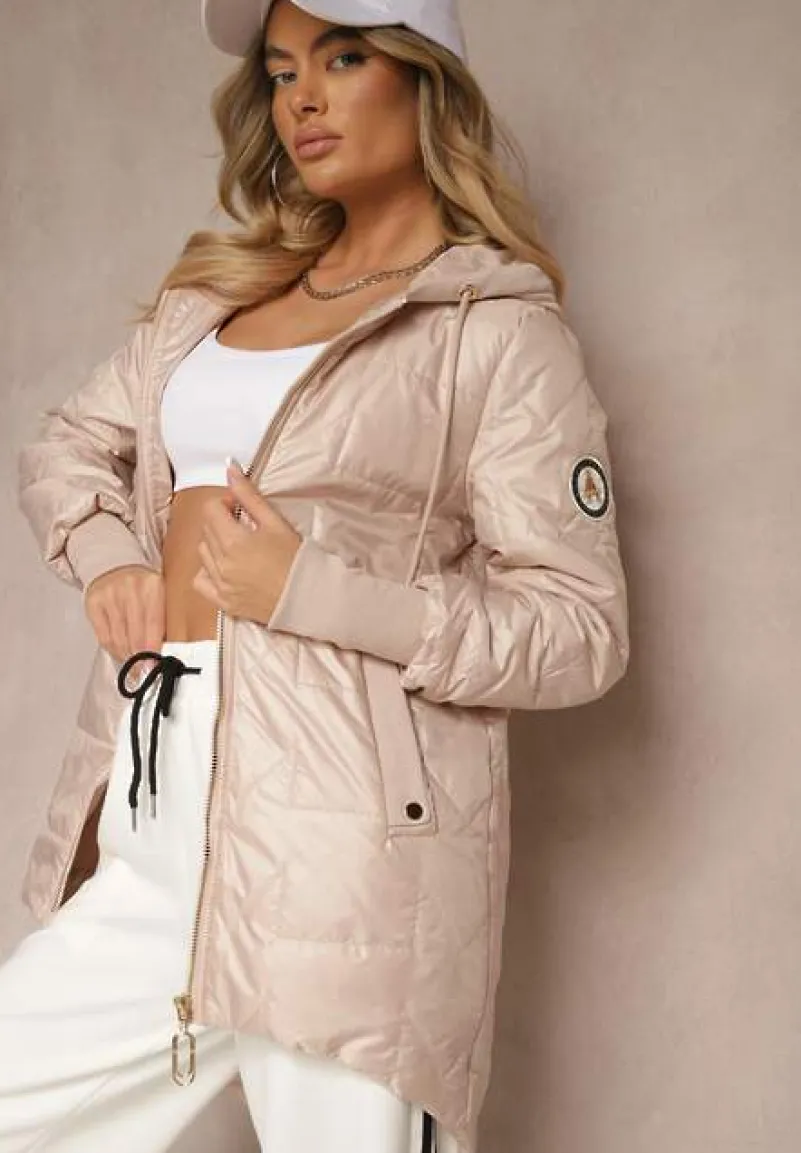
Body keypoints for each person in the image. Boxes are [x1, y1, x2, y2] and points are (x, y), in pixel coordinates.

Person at [1, 0, 630, 1149]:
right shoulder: (216, 301)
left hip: (347, 867)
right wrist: (106, 561)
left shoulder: (491, 334)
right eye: (284, 69)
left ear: (424, 79)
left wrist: (315, 592)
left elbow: (578, 628)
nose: (303, 96)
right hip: (160, 811)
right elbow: (68, 448)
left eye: (343, 57)